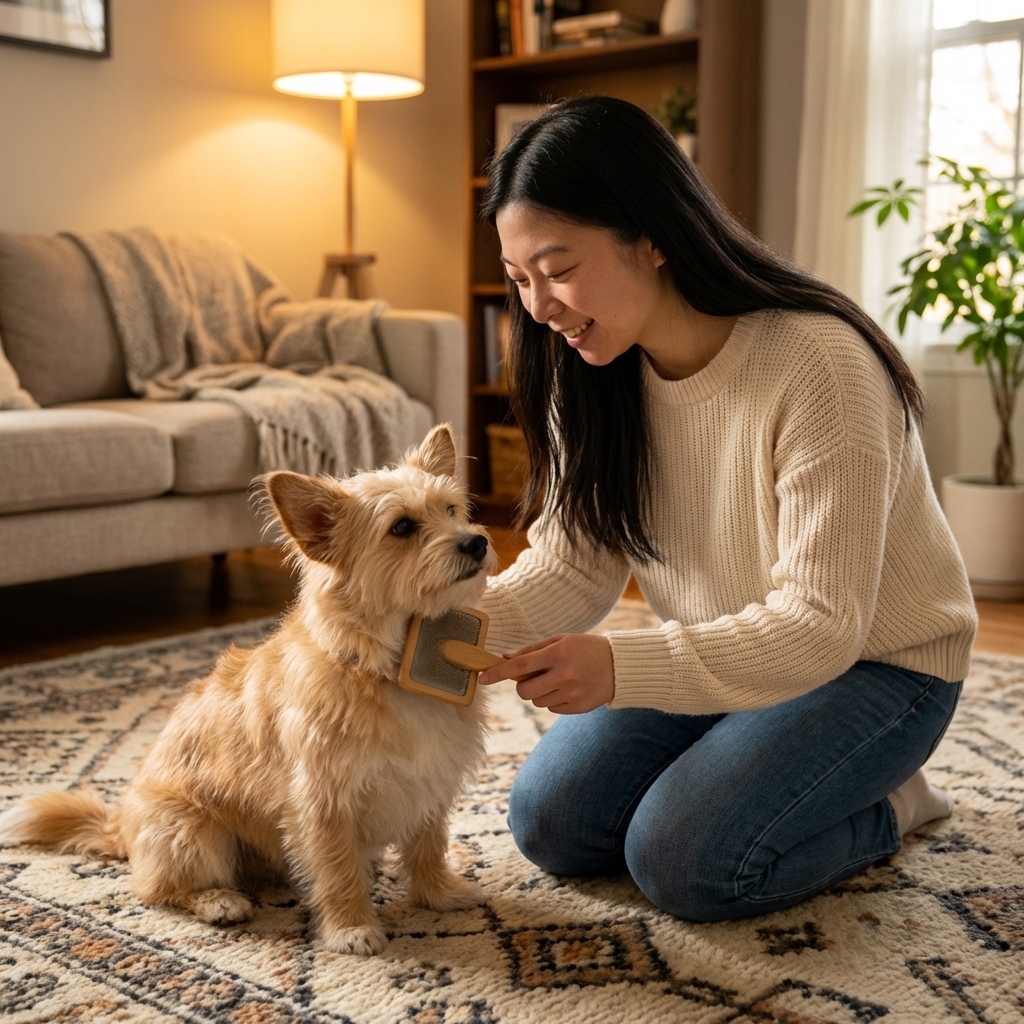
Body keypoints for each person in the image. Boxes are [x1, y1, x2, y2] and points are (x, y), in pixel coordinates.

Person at [474, 96, 976, 923]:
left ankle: (893, 804)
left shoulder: (819, 365)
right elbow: (571, 563)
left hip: (880, 670)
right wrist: (442, 627)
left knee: (681, 861)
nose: (538, 307)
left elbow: (819, 625)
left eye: (558, 270)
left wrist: (617, 668)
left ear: (652, 237)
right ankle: (750, 754)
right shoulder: (592, 369)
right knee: (551, 823)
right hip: (732, 657)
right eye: (520, 278)